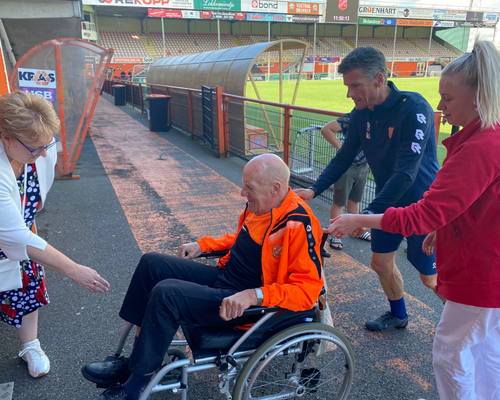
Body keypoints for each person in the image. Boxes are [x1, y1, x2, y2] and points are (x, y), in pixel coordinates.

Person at [325, 39, 500, 400]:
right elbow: (472, 204)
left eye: (448, 99)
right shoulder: (485, 138)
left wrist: (361, 218)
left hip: (481, 271)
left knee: (450, 355)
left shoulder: (479, 145)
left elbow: (424, 206)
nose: (440, 106)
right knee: (485, 352)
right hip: (479, 260)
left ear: (478, 94)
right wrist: (443, 225)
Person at [82, 154, 324, 400]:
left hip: (245, 306)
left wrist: (253, 295)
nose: (242, 193)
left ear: (275, 188)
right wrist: (203, 245)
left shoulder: (298, 224)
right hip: (226, 278)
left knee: (167, 294)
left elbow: (307, 292)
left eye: (249, 187)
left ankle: (138, 384)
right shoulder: (262, 206)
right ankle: (137, 360)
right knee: (151, 263)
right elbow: (241, 239)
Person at [295, 46, 440, 332]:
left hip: (422, 205)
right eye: (347, 86)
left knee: (429, 278)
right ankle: (399, 315)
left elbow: (406, 174)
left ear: (379, 79)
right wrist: (313, 190)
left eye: (354, 85)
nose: (349, 93)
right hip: (388, 202)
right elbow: (344, 157)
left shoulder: (414, 108)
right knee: (380, 263)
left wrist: (365, 214)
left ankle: (466, 327)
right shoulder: (361, 115)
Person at [0, 91, 110, 378]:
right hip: (12, 234)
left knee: (27, 283)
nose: (46, 154)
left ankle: (30, 346)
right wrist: (74, 269)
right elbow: (15, 236)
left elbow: (22, 232)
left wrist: (38, 148)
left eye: (48, 143)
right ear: (6, 137)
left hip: (20, 233)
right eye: (36, 148)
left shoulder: (38, 149)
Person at [320, 112, 371, 250]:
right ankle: (335, 233)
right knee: (339, 201)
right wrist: (341, 147)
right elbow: (326, 129)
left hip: (363, 166)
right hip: (347, 166)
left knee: (355, 200)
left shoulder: (375, 119)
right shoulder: (351, 118)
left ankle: (356, 229)